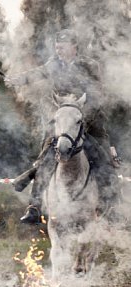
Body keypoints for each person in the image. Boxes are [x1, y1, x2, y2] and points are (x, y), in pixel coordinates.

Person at [8, 29, 121, 224]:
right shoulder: (53, 64)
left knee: (104, 161)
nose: (58, 48)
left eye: (62, 45)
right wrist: (16, 79)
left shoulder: (89, 66)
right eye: (57, 45)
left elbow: (97, 93)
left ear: (74, 46)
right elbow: (36, 73)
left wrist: (81, 116)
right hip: (63, 122)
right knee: (44, 160)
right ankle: (34, 207)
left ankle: (111, 208)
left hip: (90, 122)